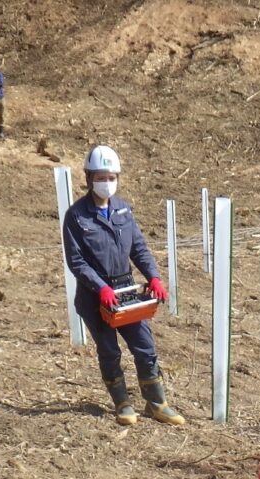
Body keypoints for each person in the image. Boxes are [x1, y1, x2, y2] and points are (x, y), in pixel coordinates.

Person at [62, 144, 184, 426]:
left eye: (111, 177)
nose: (106, 182)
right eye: (100, 177)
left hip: (126, 293)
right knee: (109, 350)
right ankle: (122, 404)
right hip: (96, 297)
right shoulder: (77, 216)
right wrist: (99, 287)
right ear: (89, 178)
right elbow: (77, 261)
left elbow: (138, 247)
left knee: (145, 346)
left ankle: (157, 404)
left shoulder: (123, 209)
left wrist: (153, 276)